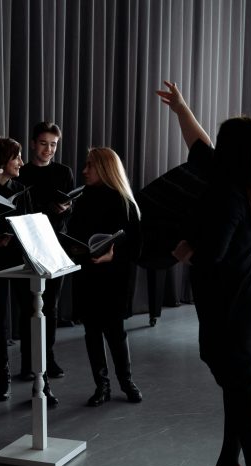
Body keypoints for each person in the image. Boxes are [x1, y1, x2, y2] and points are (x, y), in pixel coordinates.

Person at [158, 80, 251, 466]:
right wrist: (181, 109)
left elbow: (213, 254)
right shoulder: (244, 180)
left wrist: (183, 251)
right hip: (250, 300)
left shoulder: (227, 194)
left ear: (230, 151)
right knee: (235, 390)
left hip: (235, 309)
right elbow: (199, 143)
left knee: (242, 393)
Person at [67, 147, 143, 407]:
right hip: (88, 274)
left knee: (115, 331)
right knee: (91, 332)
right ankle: (102, 386)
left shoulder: (125, 202)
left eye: (90, 165)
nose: (84, 170)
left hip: (115, 278)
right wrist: (76, 248)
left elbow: (136, 248)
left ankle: (126, 381)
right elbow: (75, 236)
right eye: (86, 165)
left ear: (106, 168)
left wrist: (114, 256)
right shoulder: (84, 199)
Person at [0, 137, 38, 402]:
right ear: (2, 164)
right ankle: (4, 376)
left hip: (21, 258)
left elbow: (32, 224)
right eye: (17, 158)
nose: (22, 162)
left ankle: (32, 369)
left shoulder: (22, 190)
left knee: (30, 312)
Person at [18, 121, 75, 383]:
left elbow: (71, 209)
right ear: (32, 143)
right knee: (27, 307)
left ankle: (47, 358)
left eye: (53, 144)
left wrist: (66, 209)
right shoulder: (21, 172)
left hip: (56, 245)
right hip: (27, 246)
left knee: (50, 306)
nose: (49, 149)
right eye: (43, 143)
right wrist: (49, 210)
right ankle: (27, 361)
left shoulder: (64, 172)